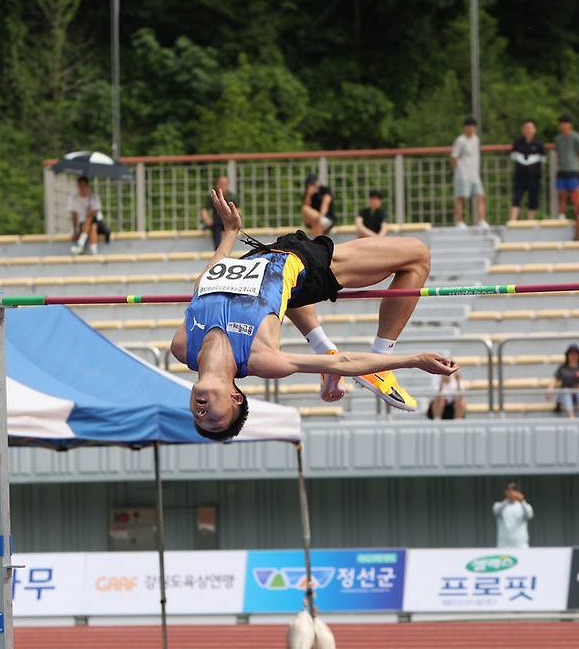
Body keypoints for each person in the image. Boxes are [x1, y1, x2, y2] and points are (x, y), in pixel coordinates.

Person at [170, 189, 459, 441]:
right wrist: (415, 360)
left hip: (262, 257)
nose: (202, 413)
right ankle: (380, 361)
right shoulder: (262, 359)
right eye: (214, 419)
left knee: (280, 298)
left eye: (198, 417)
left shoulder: (183, 347)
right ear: (236, 397)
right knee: (417, 255)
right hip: (306, 265)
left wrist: (230, 233)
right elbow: (345, 363)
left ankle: (324, 346)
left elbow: (205, 284)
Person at [451, 117, 489, 230]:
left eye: (473, 127)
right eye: (470, 127)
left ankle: (482, 220)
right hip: (463, 174)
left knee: (481, 196)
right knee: (461, 197)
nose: (472, 129)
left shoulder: (476, 139)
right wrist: (458, 170)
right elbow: (453, 157)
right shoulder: (460, 140)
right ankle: (459, 221)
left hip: (474, 174)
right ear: (465, 128)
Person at [509, 119, 546, 221]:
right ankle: (513, 221)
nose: (528, 130)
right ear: (522, 129)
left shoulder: (539, 144)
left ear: (534, 129)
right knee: (516, 198)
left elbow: (543, 160)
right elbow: (513, 156)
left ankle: (530, 222)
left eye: (530, 127)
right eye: (526, 127)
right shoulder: (518, 143)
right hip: (520, 176)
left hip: (534, 177)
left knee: (533, 200)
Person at [548, 344, 579, 418]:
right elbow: (554, 379)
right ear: (567, 356)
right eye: (571, 355)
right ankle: (571, 416)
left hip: (578, 392)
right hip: (566, 393)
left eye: (575, 355)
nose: (573, 357)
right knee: (566, 392)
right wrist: (550, 389)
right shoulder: (562, 367)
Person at [554, 115, 579, 219]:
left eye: (565, 123)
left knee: (575, 194)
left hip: (573, 169)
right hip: (561, 169)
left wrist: (574, 163)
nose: (563, 126)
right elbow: (558, 153)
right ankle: (561, 215)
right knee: (561, 194)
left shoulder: (576, 137)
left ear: (570, 124)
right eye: (561, 123)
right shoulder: (558, 138)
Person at [69, 176, 106, 256]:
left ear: (87, 186)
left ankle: (81, 243)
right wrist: (75, 231)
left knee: (90, 218)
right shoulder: (74, 198)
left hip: (97, 222)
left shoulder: (93, 197)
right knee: (93, 227)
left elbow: (96, 213)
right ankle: (94, 250)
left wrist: (90, 212)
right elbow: (74, 216)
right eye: (80, 186)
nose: (82, 188)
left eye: (83, 186)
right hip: (85, 226)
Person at [201, 175, 240, 250]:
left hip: (229, 221)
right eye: (221, 183)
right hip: (217, 223)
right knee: (216, 228)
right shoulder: (213, 196)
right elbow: (204, 209)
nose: (223, 185)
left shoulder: (232, 196)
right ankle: (218, 250)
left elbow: (238, 209)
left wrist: (233, 215)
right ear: (217, 184)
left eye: (224, 183)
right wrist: (207, 220)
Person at [492, 481, 534, 549]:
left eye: (514, 490)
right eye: (509, 490)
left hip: (521, 546)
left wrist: (522, 501)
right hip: (503, 546)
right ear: (505, 491)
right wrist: (508, 499)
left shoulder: (525, 506)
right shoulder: (498, 505)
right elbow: (496, 511)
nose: (512, 492)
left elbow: (529, 515)